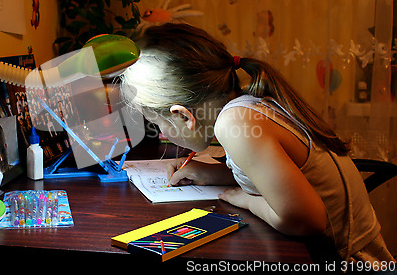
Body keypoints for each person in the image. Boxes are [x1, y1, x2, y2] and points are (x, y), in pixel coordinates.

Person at [119, 23, 395, 266]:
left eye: (156, 124)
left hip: (345, 261)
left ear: (182, 115)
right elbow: (287, 178)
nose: (160, 133)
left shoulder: (234, 124)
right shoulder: (253, 104)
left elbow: (305, 220)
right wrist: (213, 174)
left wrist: (247, 200)